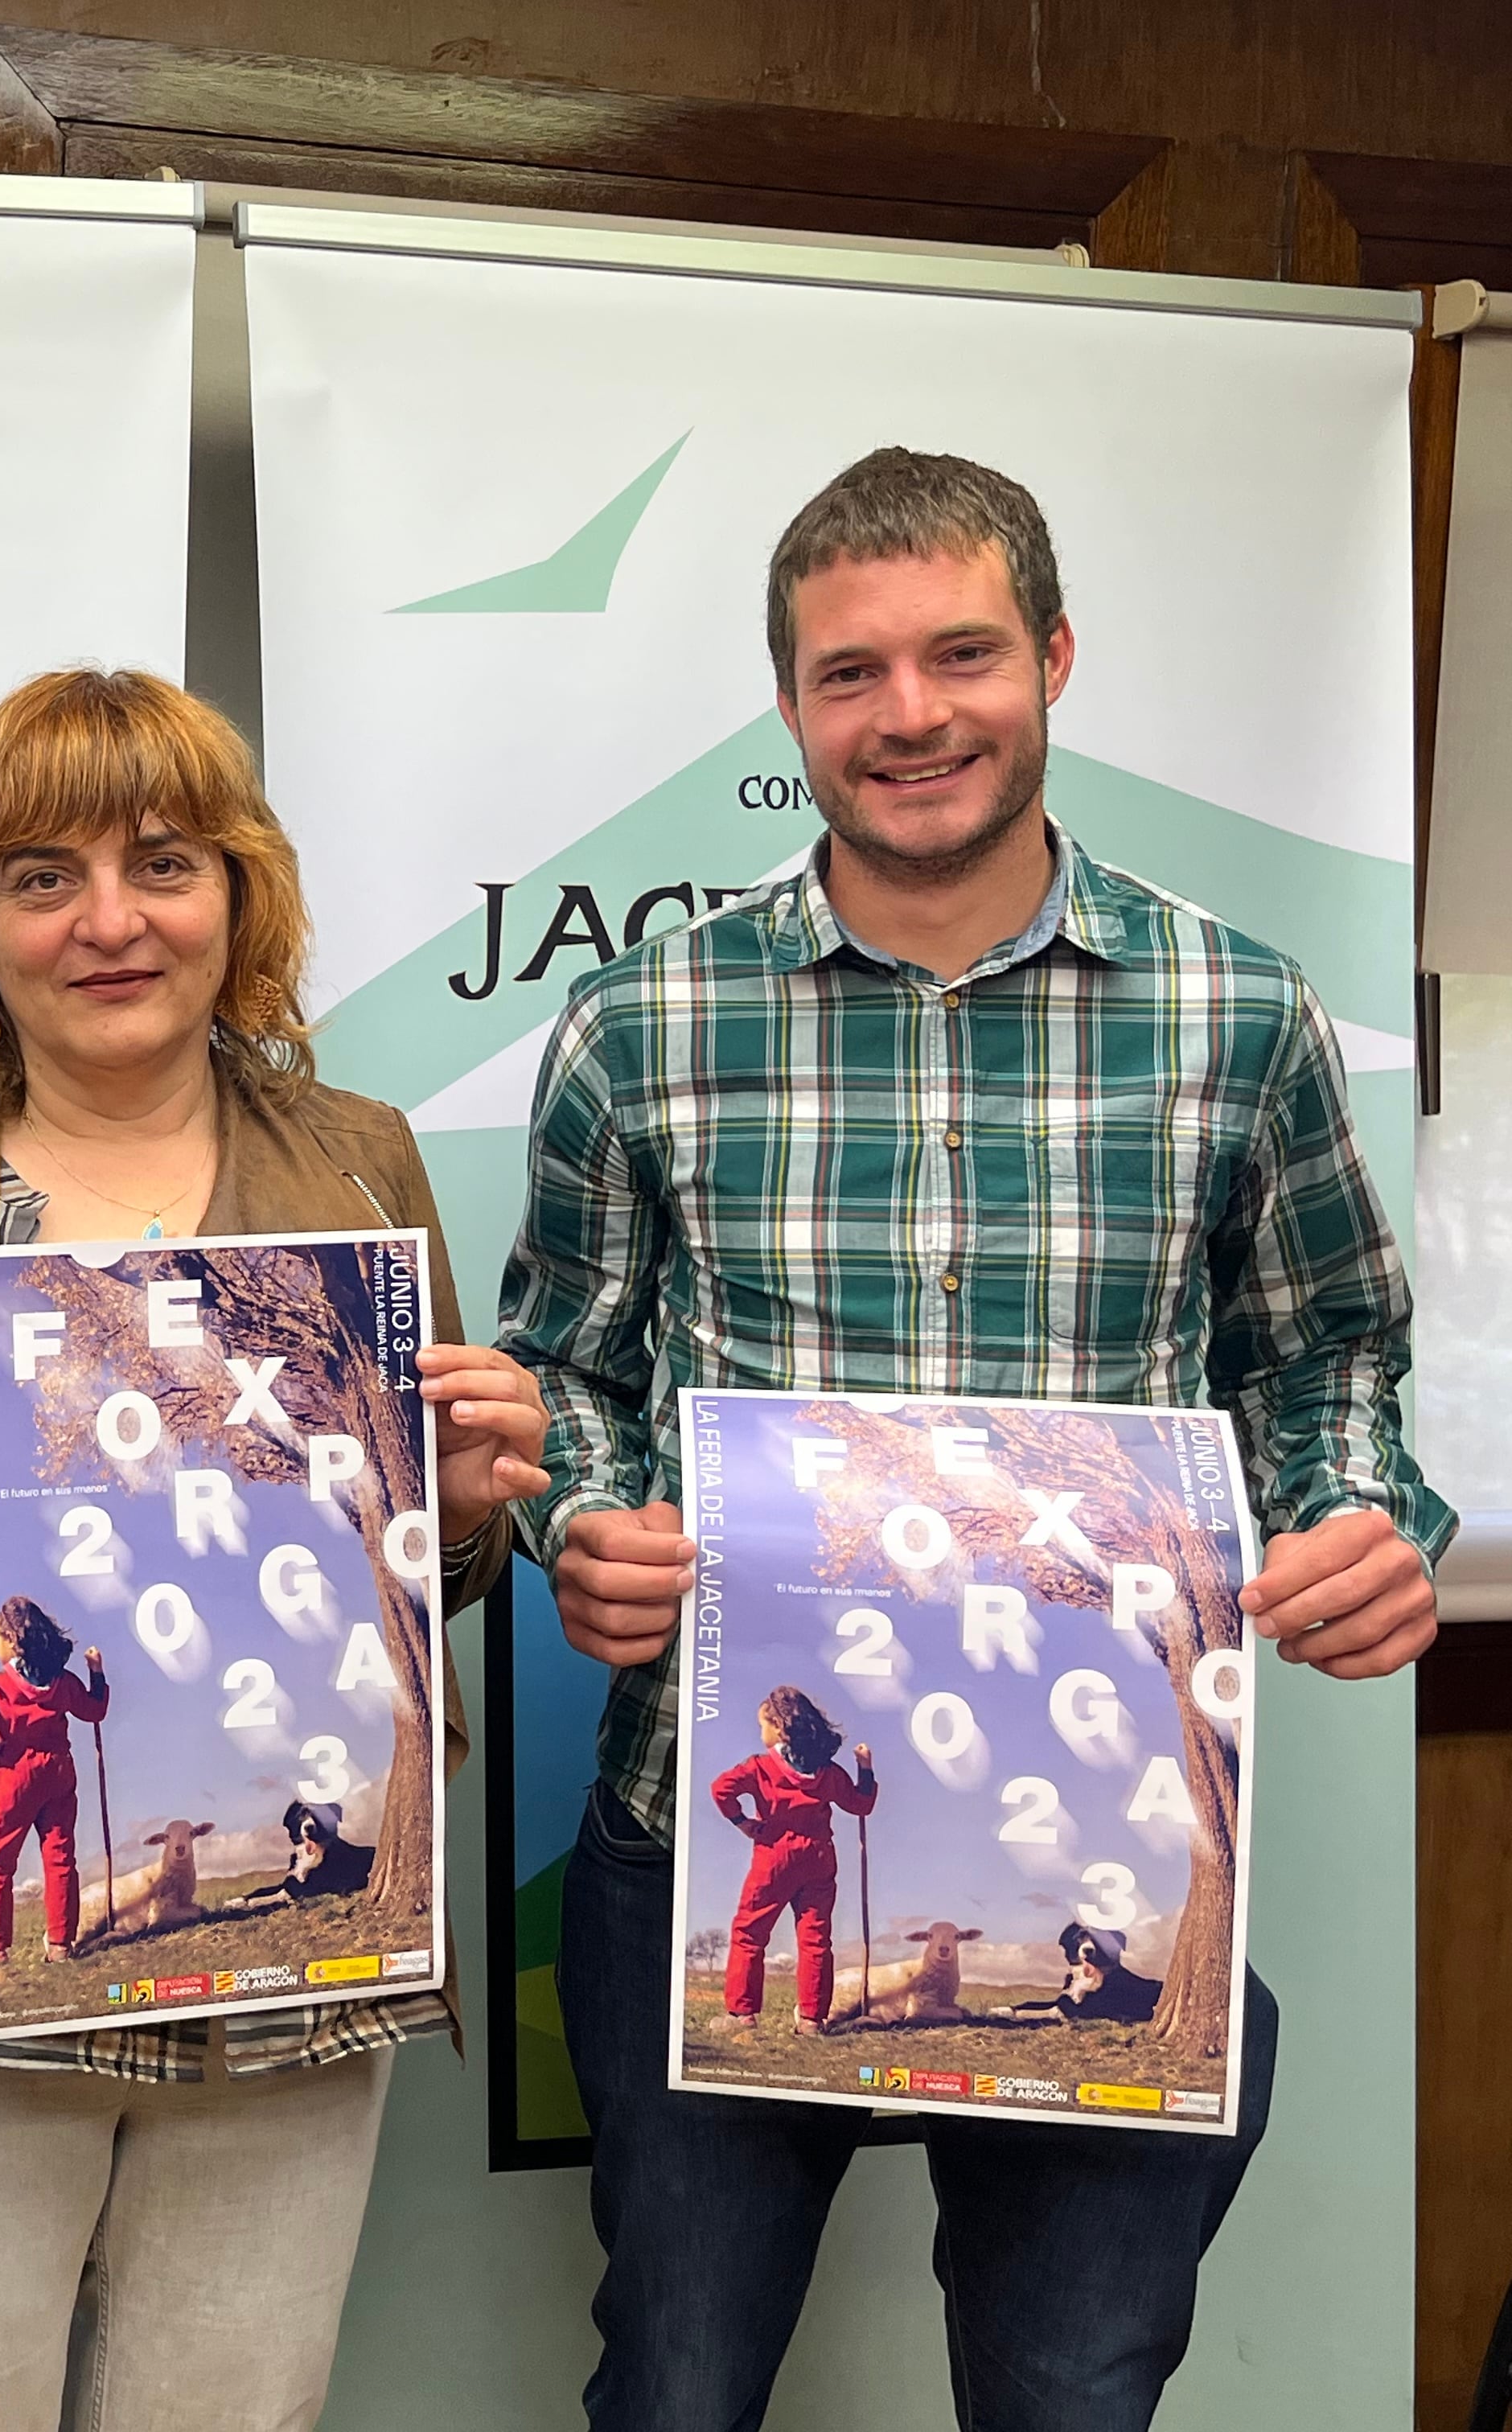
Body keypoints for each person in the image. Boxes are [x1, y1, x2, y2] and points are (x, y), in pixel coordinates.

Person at [499, 449, 1450, 2432]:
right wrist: (586, 1521)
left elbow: (1329, 1354)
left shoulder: (1239, 1014)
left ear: (1057, 660)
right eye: (851, 673)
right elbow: (563, 1375)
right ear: (791, 709)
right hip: (707, 1836)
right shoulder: (641, 1022)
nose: (910, 714)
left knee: (1072, 2400)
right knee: (674, 2393)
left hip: (1114, 1847)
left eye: (961, 656)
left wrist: (1352, 1512)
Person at [0, 668, 556, 2432]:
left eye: (164, 863)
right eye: (43, 876)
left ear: (240, 898)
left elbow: (418, 1571)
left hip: (286, 1984)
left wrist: (467, 1505)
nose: (110, 921)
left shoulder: (359, 1169)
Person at [0, 1596, 110, 1968]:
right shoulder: (63, 1682)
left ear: (12, 1640)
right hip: (59, 1771)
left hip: (17, 1774)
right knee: (59, 1857)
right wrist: (97, 1672)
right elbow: (95, 1710)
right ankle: (60, 1945)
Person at [706, 1687, 874, 2036]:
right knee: (815, 1938)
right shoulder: (828, 1773)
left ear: (781, 1728)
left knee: (750, 1932)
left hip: (774, 1856)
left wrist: (742, 1823)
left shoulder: (760, 1767)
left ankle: (743, 2014)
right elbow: (861, 1805)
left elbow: (721, 1789)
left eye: (763, 1725)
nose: (761, 1733)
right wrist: (865, 1769)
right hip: (819, 1857)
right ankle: (812, 2020)